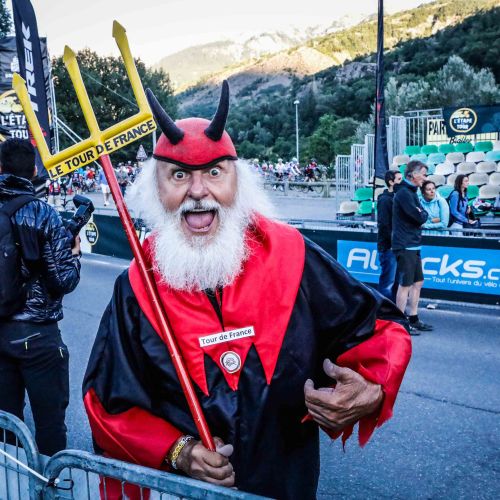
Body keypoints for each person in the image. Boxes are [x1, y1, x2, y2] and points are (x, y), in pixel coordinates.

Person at [83, 82, 411, 500]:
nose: (198, 191)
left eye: (214, 172)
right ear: (156, 188)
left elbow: (378, 329)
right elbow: (105, 402)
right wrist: (179, 452)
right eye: (179, 175)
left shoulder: (292, 255)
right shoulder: (137, 287)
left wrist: (371, 388)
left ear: (238, 181)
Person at [0, 138, 81, 456]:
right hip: (38, 335)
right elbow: (64, 280)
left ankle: (11, 479)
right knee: (50, 425)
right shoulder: (43, 214)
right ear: (34, 170)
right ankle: (51, 481)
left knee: (6, 427)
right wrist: (75, 255)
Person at [392, 160, 431, 335]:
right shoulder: (403, 194)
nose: (425, 178)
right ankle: (400, 323)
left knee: (418, 282)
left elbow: (423, 214)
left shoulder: (411, 193)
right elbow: (419, 217)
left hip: (413, 244)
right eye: (423, 174)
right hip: (405, 244)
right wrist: (421, 214)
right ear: (413, 175)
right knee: (405, 285)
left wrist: (422, 213)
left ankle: (413, 318)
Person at [377, 170, 402, 301]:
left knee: (396, 281)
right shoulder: (385, 200)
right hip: (389, 247)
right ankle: (384, 309)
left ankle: (394, 308)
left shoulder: (397, 198)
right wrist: (393, 243)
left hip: (397, 246)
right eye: (399, 179)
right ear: (391, 182)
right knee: (388, 282)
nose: (402, 182)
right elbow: (384, 225)